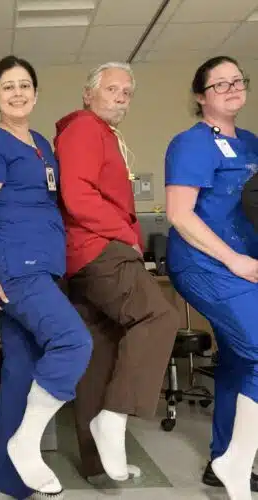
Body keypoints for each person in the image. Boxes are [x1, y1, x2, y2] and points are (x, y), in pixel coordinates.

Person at [0, 55, 92, 499]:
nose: (17, 93)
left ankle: (12, 479)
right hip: (17, 268)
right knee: (73, 342)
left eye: (24, 85)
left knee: (21, 368)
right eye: (8, 86)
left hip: (45, 267)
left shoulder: (39, 142)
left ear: (35, 94)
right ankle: (25, 444)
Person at [54, 62, 178, 482]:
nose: (121, 97)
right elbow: (78, 195)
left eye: (127, 92)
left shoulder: (100, 133)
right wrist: (127, 236)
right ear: (88, 93)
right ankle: (114, 416)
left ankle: (97, 465)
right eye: (112, 89)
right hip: (100, 251)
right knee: (158, 317)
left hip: (84, 257)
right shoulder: (85, 128)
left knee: (101, 349)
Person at [165, 55, 258, 500]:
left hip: (245, 265)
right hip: (205, 264)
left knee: (241, 360)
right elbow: (179, 215)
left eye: (237, 80)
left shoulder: (252, 143)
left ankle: (222, 460)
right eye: (219, 84)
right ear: (200, 96)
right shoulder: (191, 144)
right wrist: (234, 260)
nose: (232, 88)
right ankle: (235, 460)